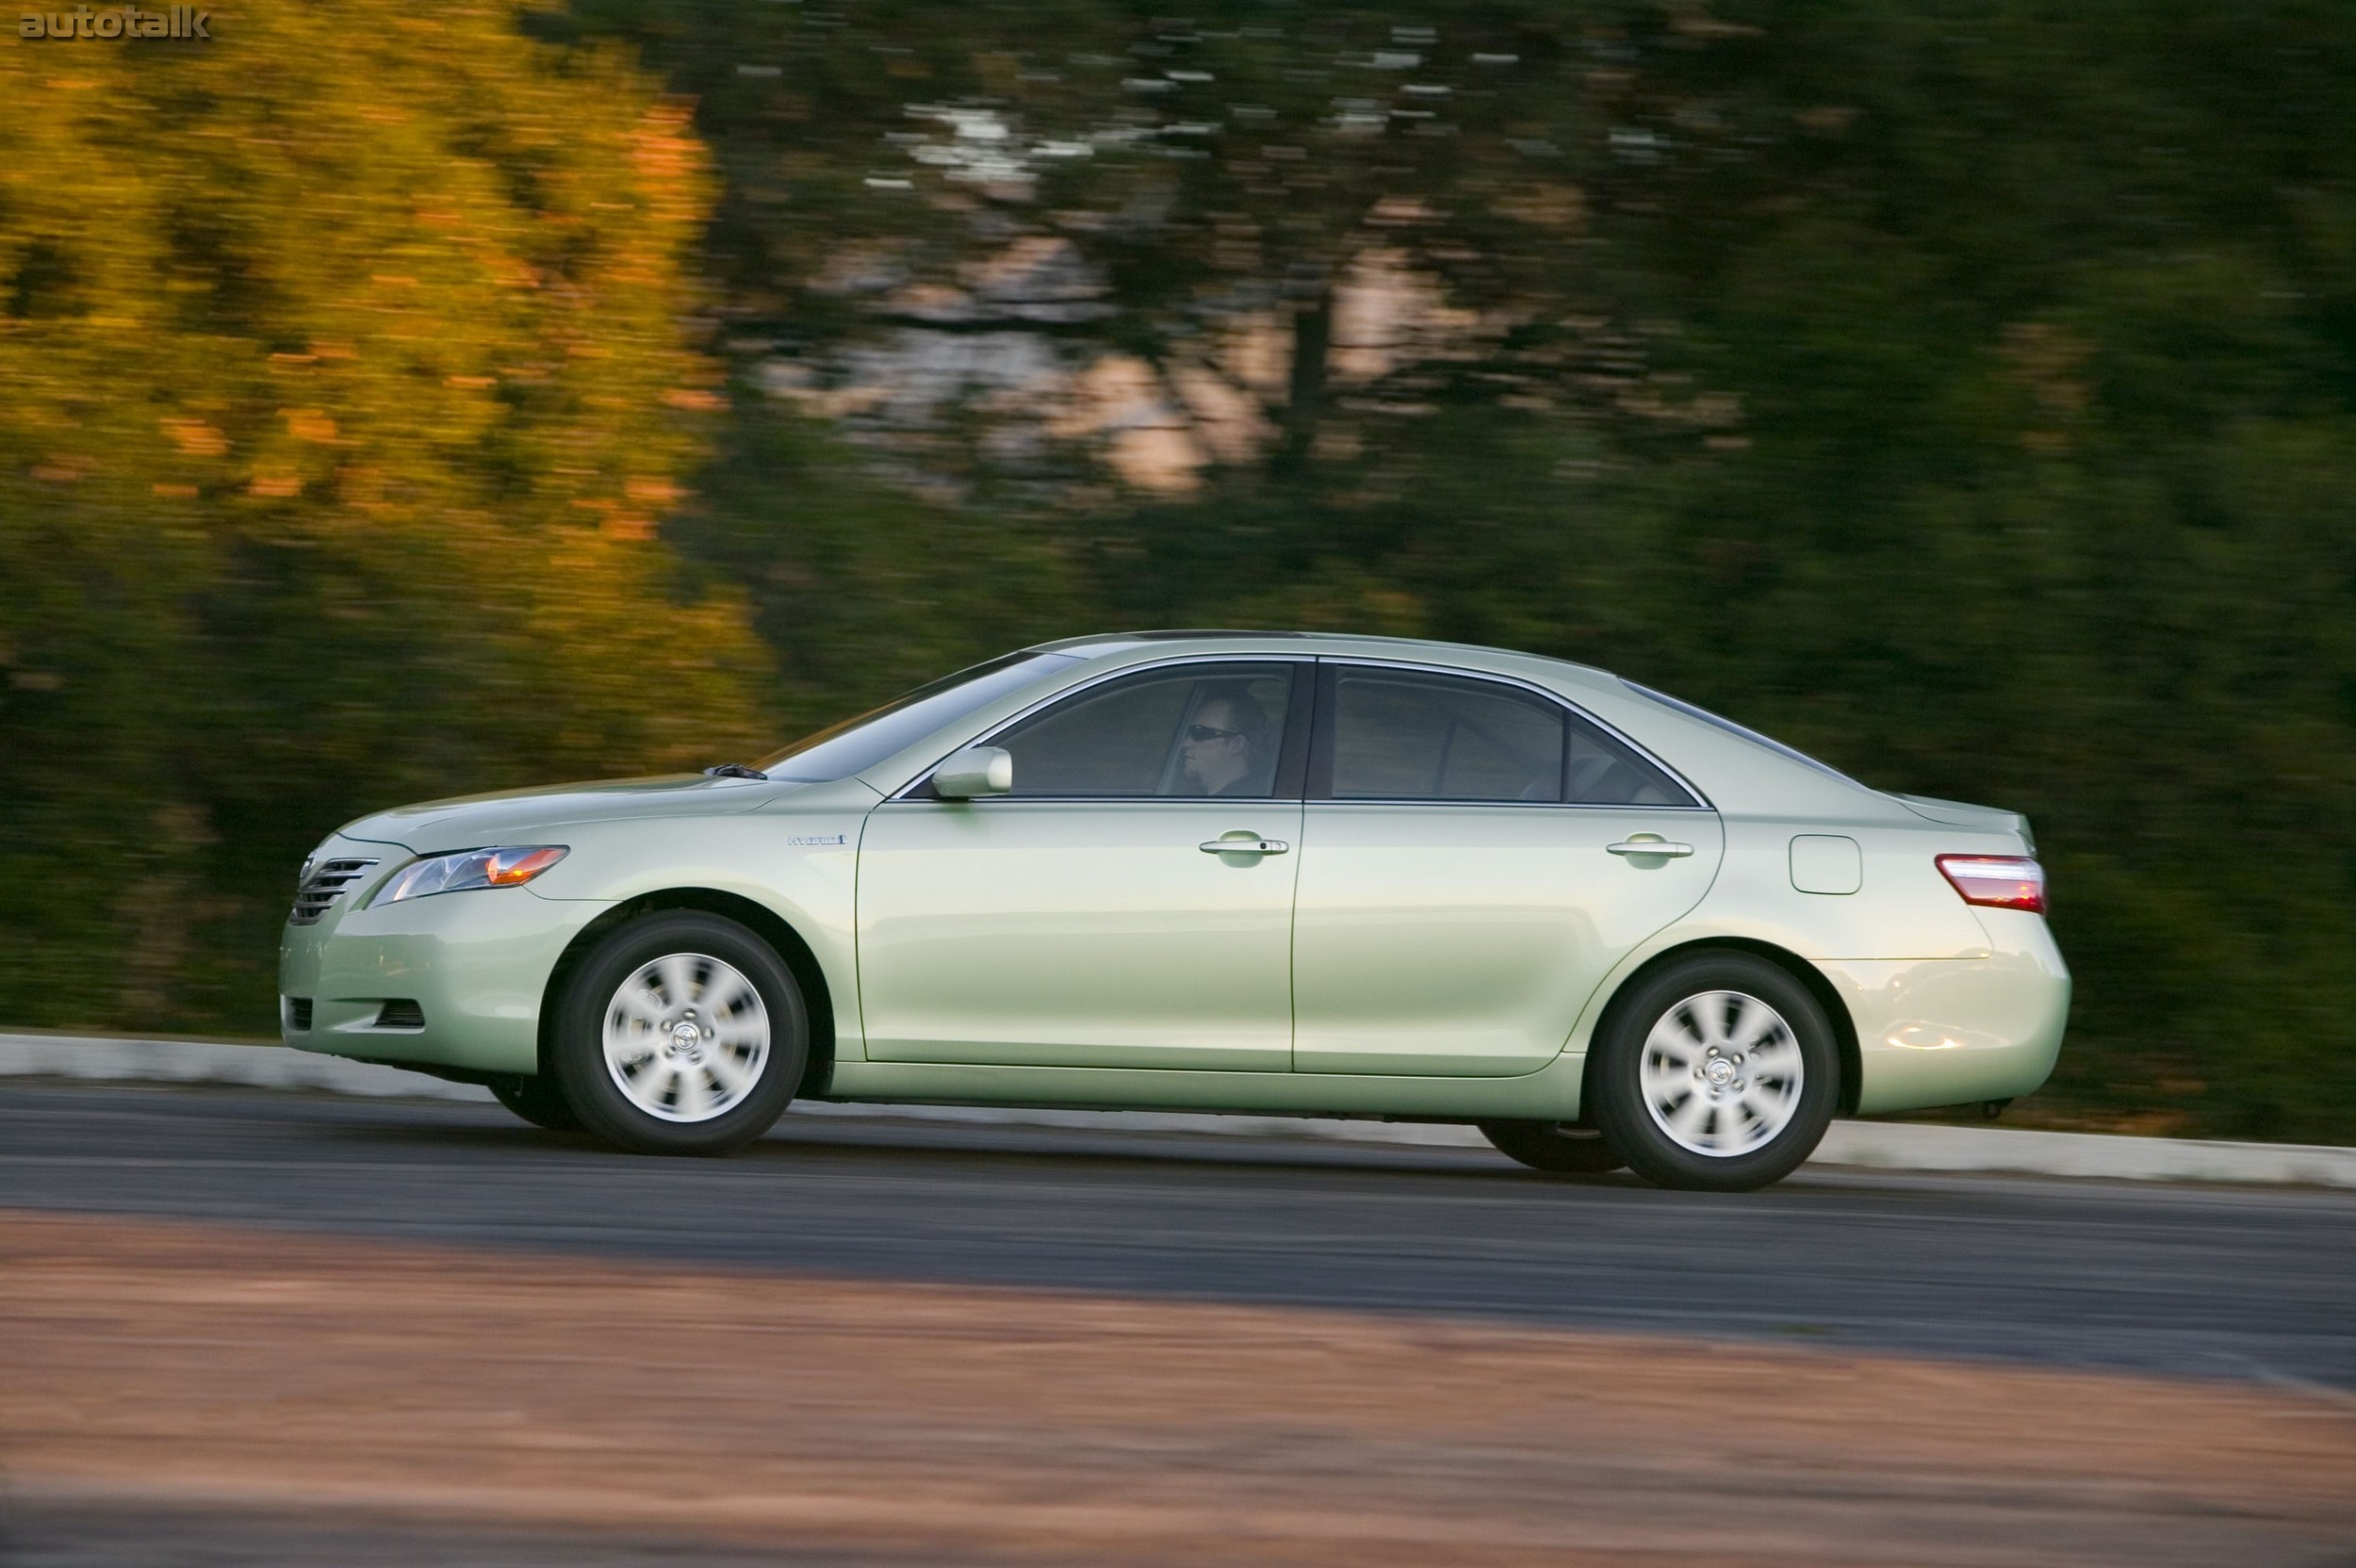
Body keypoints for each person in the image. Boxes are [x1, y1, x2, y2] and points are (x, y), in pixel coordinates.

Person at [1178, 686, 1272, 795]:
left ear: (1236, 744)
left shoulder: (1246, 806)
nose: (1185, 743)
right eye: (1189, 732)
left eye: (1200, 733)